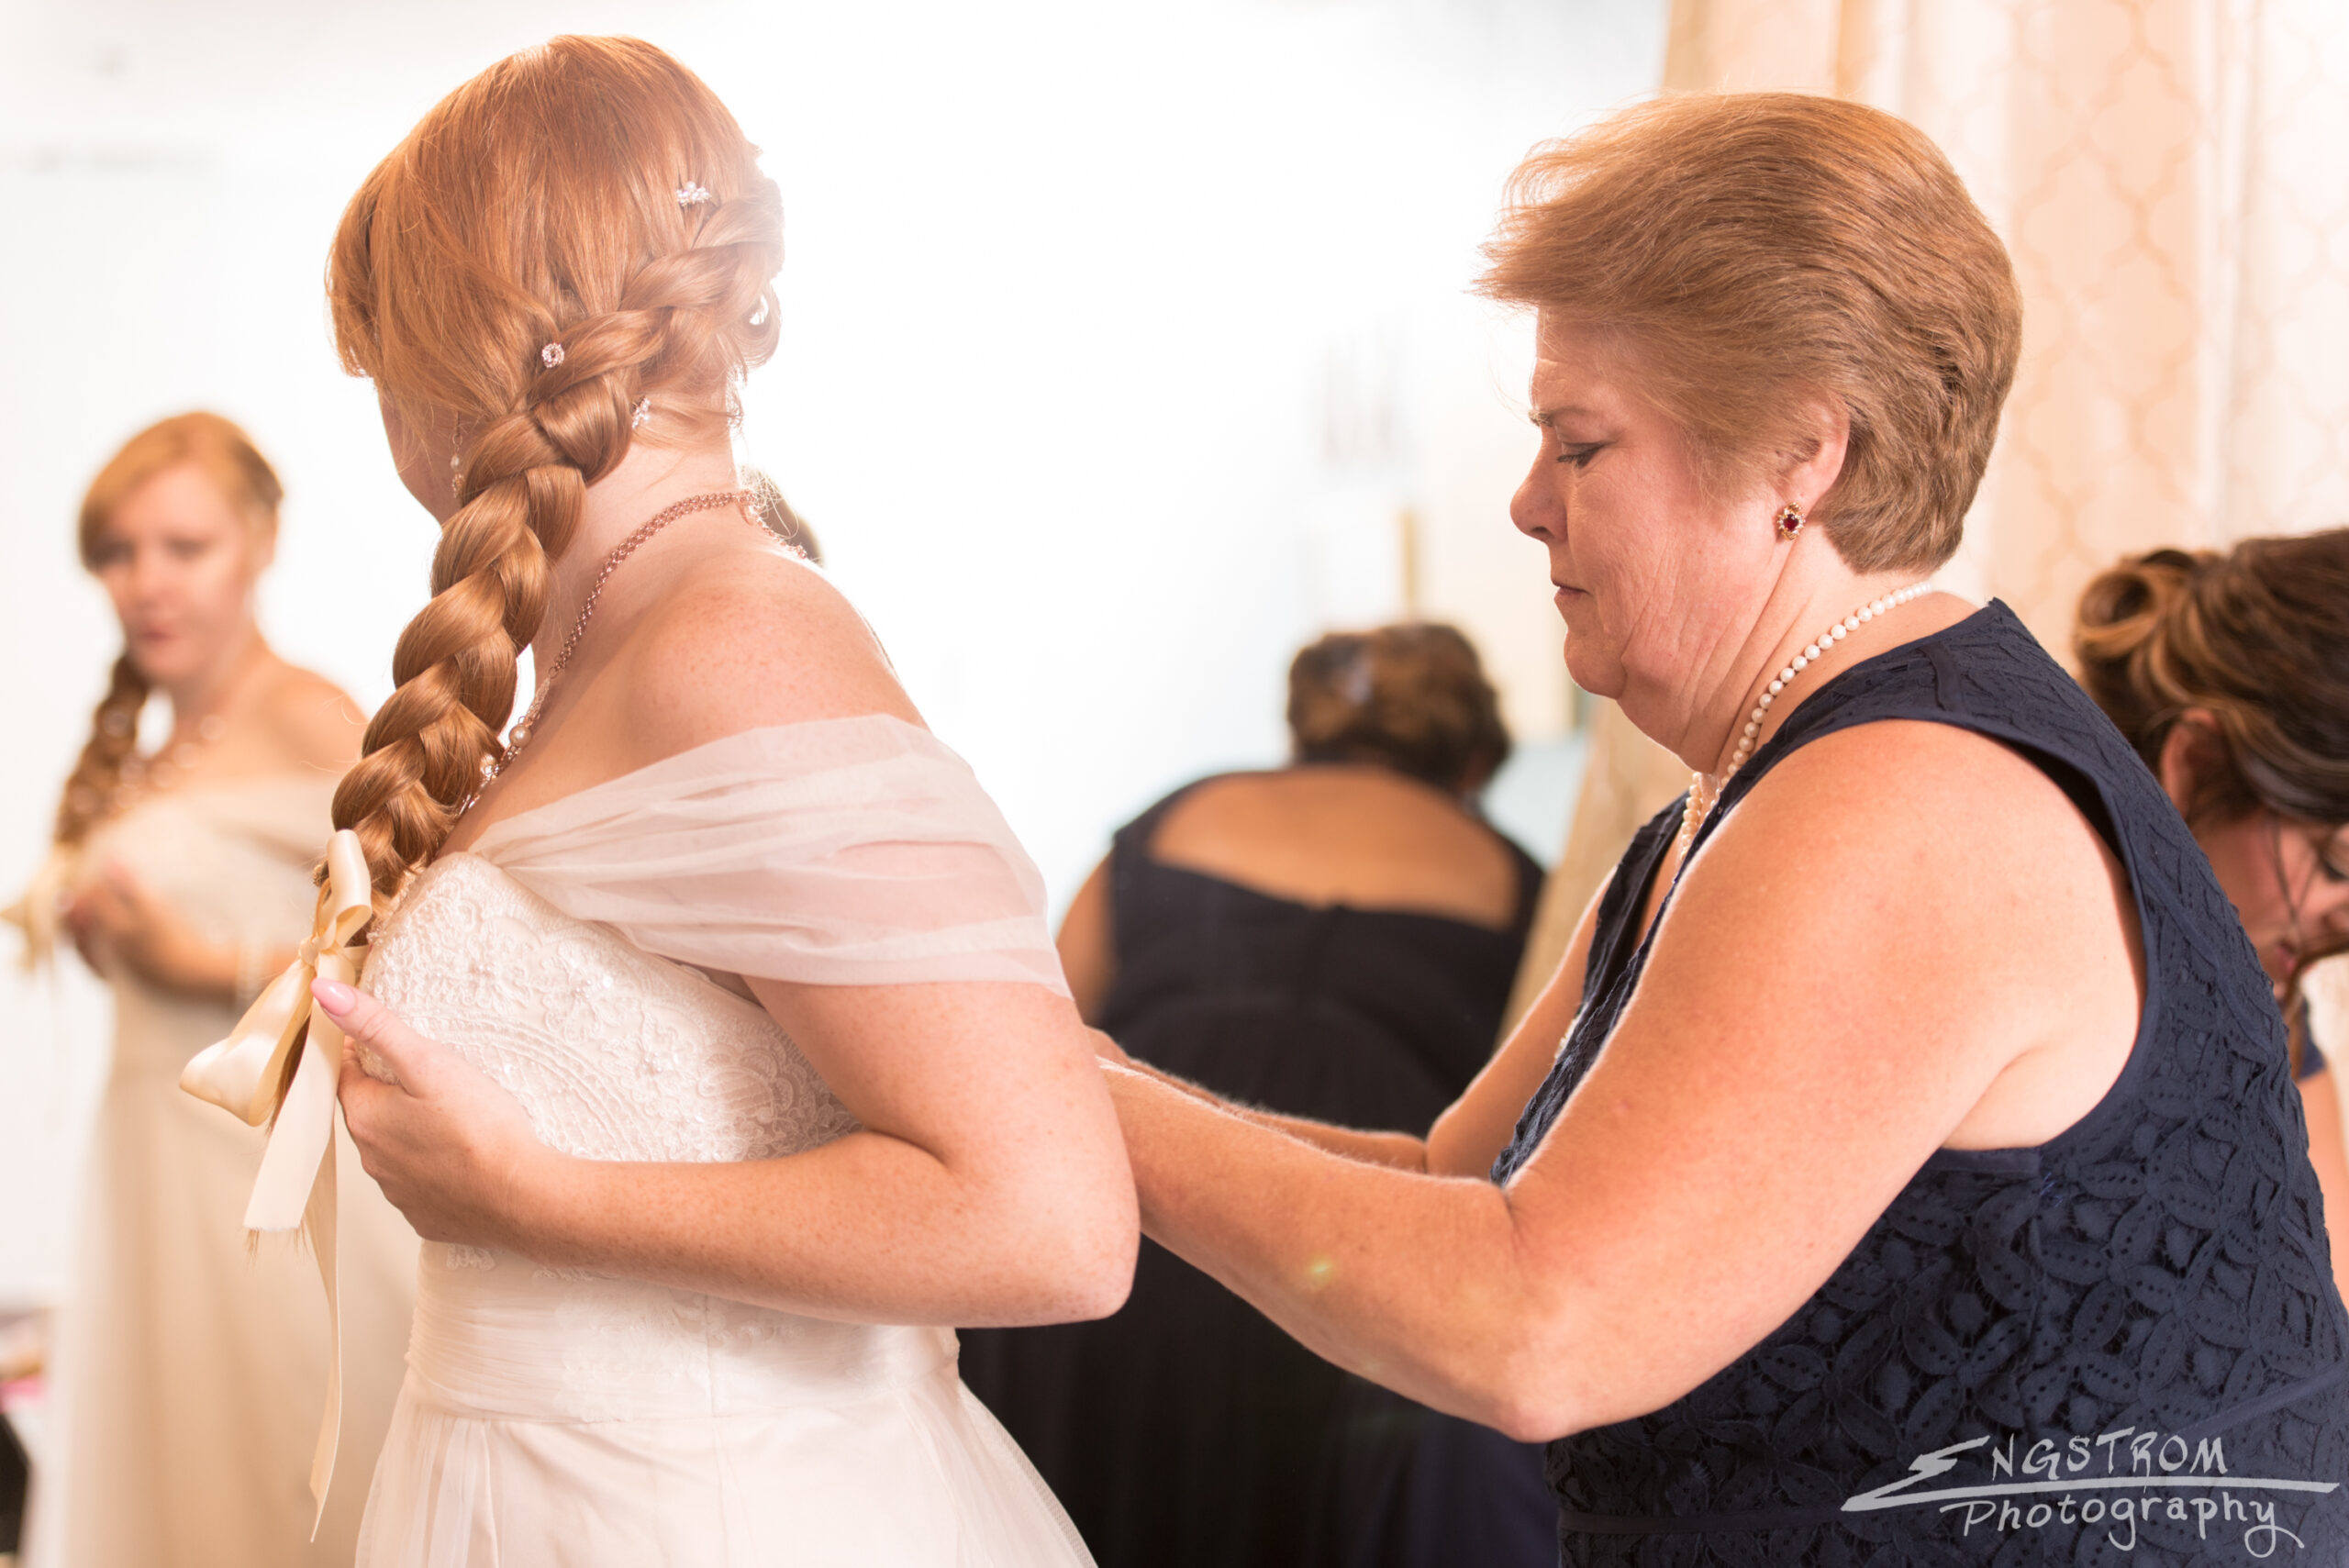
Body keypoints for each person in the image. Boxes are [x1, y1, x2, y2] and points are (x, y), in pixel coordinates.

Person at [1069, 93, 2349, 1564]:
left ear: (1803, 453)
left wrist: (1073, 1108)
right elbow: (1450, 1188)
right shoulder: (1752, 795)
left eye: (1579, 445)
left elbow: (1535, 1323)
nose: (1526, 503)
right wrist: (1093, 1084)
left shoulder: (1910, 803)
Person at [256, 36, 1134, 1566]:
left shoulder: (738, 641)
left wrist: (538, 1198)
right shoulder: (615, 636)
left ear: (450, 357)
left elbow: (1049, 1222)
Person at [962, 622, 1555, 1568]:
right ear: (1476, 757)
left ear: (1302, 723)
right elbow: (1521, 1123)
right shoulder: (1524, 887)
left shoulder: (1168, 822)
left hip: (1128, 1209)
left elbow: (1044, 1035)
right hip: (1332, 1258)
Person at [6, 412, 416, 1568]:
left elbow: (407, 934)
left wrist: (202, 962)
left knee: (285, 1478)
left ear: (261, 542)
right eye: (119, 552)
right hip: (150, 1163)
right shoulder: (146, 756)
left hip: (265, 1176)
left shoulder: (308, 711)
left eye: (184, 546)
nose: (148, 582)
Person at [2076, 537, 2349, 1286]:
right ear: (2194, 765)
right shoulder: (2021, 951)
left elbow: (2331, 1295)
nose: (2342, 922)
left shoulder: (2267, 1010)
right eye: (2337, 866)